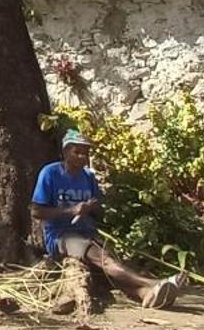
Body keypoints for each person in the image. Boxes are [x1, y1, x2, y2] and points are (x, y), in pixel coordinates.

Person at [31, 130, 184, 308]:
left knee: (110, 266)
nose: (82, 157)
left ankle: (145, 294)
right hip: (61, 236)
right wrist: (70, 210)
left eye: (86, 153)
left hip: (88, 232)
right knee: (105, 261)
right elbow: (36, 211)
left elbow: (98, 206)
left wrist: (93, 207)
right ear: (65, 152)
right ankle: (152, 283)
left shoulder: (88, 177)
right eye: (77, 152)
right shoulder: (50, 173)